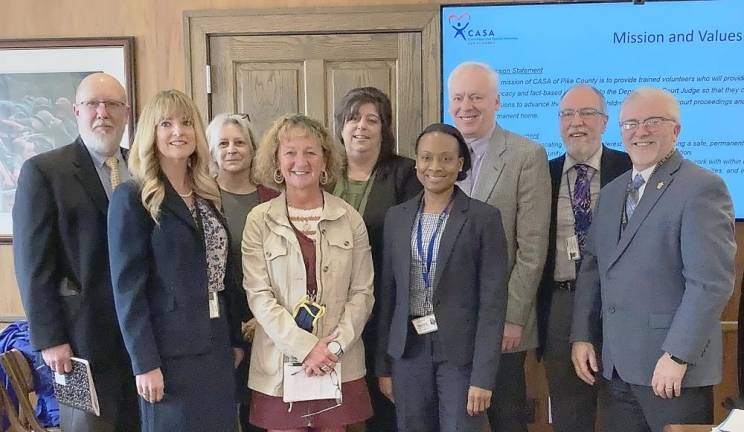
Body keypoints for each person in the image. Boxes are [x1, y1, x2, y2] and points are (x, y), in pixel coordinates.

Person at [570, 87, 736, 432]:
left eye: (652, 121)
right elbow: (593, 269)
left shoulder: (702, 187)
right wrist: (583, 335)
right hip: (616, 367)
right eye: (630, 123)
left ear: (676, 130)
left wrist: (678, 355)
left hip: (671, 371)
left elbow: (710, 284)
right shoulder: (613, 192)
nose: (640, 131)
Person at [108, 90, 246, 431]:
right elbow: (128, 290)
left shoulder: (208, 194)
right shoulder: (132, 197)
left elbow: (221, 275)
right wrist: (144, 363)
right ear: (150, 134)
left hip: (215, 346)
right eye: (166, 124)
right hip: (167, 356)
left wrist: (234, 339)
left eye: (186, 123)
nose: (178, 132)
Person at [12, 72, 139, 432]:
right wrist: (51, 339)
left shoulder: (143, 170)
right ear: (76, 111)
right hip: (78, 345)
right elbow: (32, 265)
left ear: (126, 113)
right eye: (93, 104)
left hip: (139, 343)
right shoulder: (44, 172)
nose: (103, 113)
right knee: (86, 428)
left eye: (112, 104)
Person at [242, 113, 374, 431]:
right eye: (290, 152)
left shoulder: (350, 218)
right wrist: (305, 348)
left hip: (336, 363)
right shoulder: (258, 220)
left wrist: (332, 348)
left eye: (310, 152)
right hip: (279, 367)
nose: (300, 161)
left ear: (325, 160)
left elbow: (363, 293)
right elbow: (259, 296)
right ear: (276, 160)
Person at [376, 123, 509, 432]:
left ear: (460, 163)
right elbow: (388, 296)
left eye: (446, 158)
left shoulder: (484, 218)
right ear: (417, 162)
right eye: (426, 158)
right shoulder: (397, 217)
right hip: (408, 353)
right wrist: (384, 365)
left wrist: (483, 377)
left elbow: (493, 304)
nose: (435, 167)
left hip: (460, 358)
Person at [447, 61, 550, 431]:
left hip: (505, 321)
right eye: (458, 97)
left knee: (506, 414)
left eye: (476, 96)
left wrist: (513, 316)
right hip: (451, 322)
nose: (466, 106)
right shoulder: (438, 157)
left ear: (497, 101)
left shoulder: (526, 155)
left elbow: (532, 246)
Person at [536, 85, 631, 432]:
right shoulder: (541, 174)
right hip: (562, 302)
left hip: (619, 302)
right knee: (569, 410)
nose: (577, 123)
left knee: (623, 406)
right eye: (567, 115)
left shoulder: (629, 167)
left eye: (587, 113)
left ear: (604, 121)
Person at [332, 86, 421, 431]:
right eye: (353, 118)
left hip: (385, 311)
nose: (362, 127)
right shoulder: (321, 174)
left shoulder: (406, 175)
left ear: (385, 129)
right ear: (340, 126)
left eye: (373, 119)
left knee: (385, 408)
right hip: (331, 315)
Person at [206, 112, 279, 432]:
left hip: (270, 324)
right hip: (218, 323)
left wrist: (264, 317)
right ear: (211, 151)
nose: (232, 149)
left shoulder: (275, 201)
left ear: (253, 148)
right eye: (223, 143)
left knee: (262, 415)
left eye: (240, 142)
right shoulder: (199, 200)